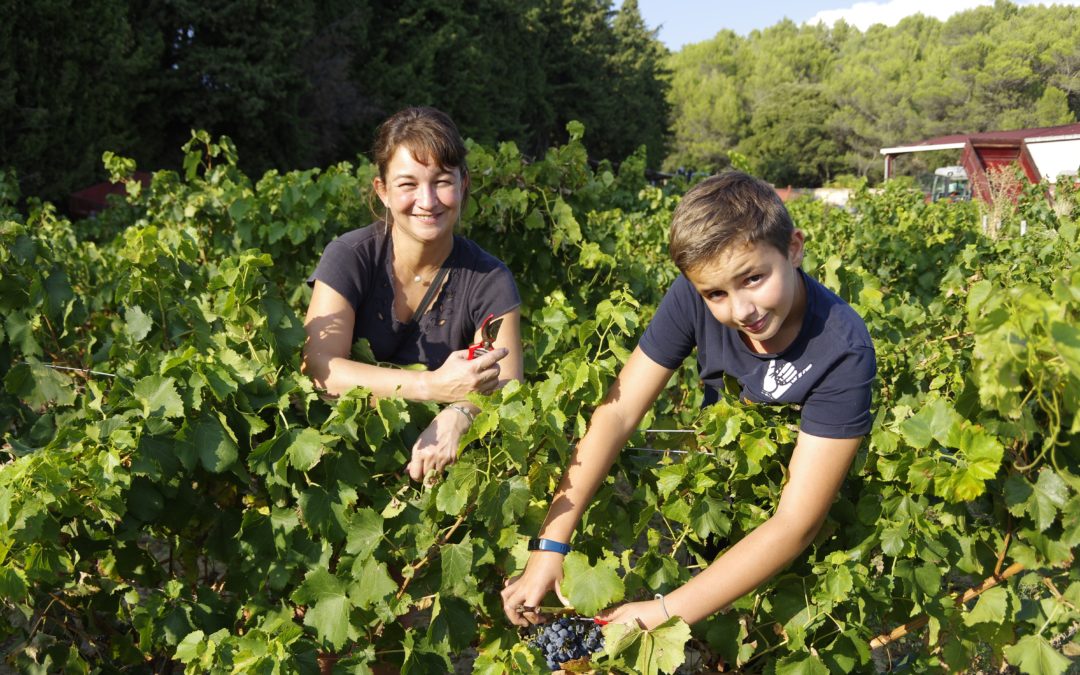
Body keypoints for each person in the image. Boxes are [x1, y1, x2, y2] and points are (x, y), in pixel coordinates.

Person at [501, 171, 875, 629]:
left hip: (798, 559)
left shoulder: (842, 348)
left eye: (754, 278)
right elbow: (619, 411)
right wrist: (551, 543)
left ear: (794, 249)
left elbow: (796, 523)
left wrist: (663, 612)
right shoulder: (695, 294)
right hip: (712, 506)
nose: (741, 311)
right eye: (716, 294)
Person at [303, 106, 523, 482]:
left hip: (440, 480)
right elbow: (319, 368)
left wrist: (459, 414)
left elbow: (505, 385)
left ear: (463, 184)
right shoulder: (350, 257)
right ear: (383, 191)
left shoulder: (490, 280)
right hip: (338, 468)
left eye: (441, 181)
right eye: (408, 184)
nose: (427, 200)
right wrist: (431, 387)